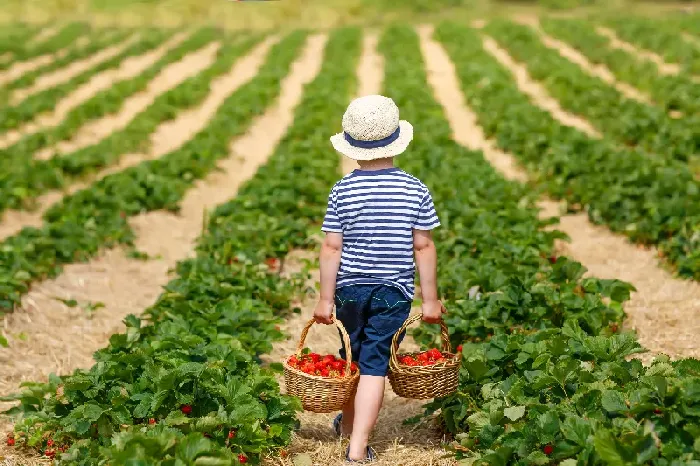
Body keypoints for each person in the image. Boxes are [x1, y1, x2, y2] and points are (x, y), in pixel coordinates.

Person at [313, 94, 445, 463]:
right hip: (393, 292)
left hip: (349, 291)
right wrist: (430, 300)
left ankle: (348, 424)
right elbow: (423, 247)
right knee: (374, 366)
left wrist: (325, 298)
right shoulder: (414, 189)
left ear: (353, 147)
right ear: (396, 142)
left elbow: (331, 248)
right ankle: (357, 447)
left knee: (350, 358)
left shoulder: (342, 190)